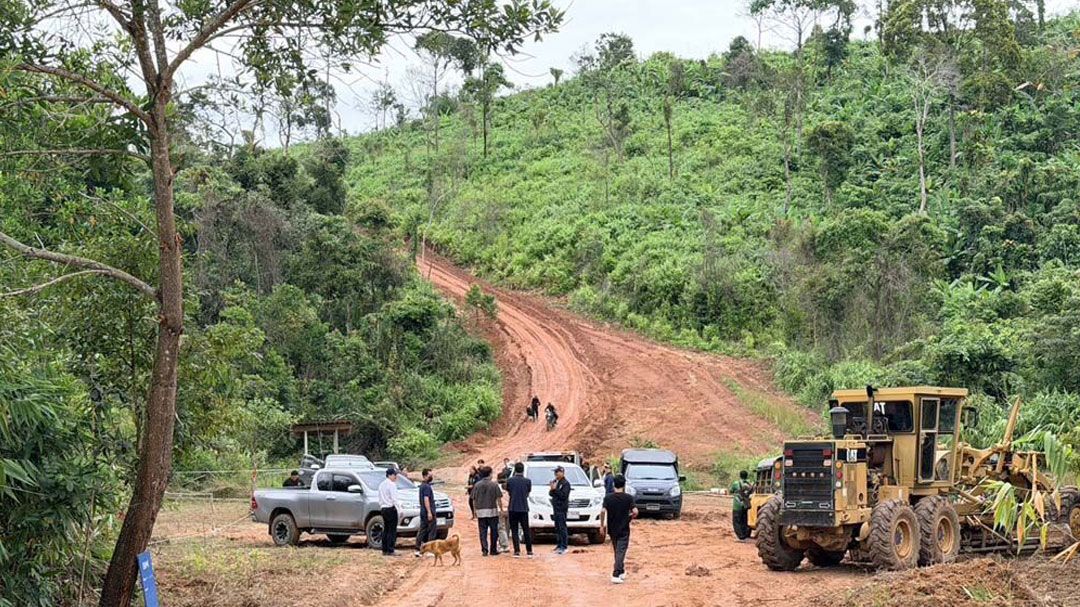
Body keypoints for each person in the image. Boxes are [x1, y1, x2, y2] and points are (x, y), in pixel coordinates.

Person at [601, 474, 638, 584]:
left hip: (612, 528)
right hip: (624, 528)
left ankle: (621, 570)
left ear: (613, 484)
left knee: (617, 550)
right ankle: (616, 573)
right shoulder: (628, 498)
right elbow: (635, 511)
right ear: (624, 485)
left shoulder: (608, 498)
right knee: (621, 551)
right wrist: (630, 517)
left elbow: (603, 511)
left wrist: (602, 525)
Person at [472, 466, 503, 556]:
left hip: (481, 512)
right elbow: (499, 499)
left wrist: (474, 511)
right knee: (494, 531)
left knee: (483, 532)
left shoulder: (477, 485)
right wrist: (501, 509)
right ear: (489, 474)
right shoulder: (494, 485)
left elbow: (474, 499)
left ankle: (484, 550)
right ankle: (493, 549)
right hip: (492, 511)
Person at [505, 461, 534, 557]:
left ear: (515, 470)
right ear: (523, 470)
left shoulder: (510, 480)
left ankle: (517, 551)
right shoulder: (528, 481)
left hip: (513, 507)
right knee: (526, 529)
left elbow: (508, 491)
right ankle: (529, 551)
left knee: (514, 530)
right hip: (523, 508)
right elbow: (528, 492)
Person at [549, 465, 571, 555]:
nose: (555, 474)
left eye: (557, 472)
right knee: (557, 526)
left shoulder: (565, 483)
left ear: (562, 472)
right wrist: (552, 489)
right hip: (556, 507)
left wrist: (555, 490)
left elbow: (563, 495)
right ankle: (559, 544)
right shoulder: (556, 482)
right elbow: (551, 493)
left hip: (562, 508)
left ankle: (564, 545)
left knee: (562, 526)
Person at [378, 468, 400, 556]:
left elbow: (379, 497)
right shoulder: (391, 485)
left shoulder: (381, 485)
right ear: (390, 475)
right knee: (392, 530)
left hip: (383, 508)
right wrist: (399, 508)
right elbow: (394, 498)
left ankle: (384, 549)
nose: (395, 477)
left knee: (386, 529)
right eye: (394, 475)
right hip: (390, 508)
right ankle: (391, 549)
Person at [414, 468, 436, 558]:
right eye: (429, 475)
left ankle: (418, 549)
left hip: (423, 511)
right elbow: (426, 499)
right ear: (425, 476)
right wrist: (429, 512)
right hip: (428, 511)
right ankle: (430, 550)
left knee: (422, 530)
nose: (431, 476)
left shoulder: (422, 486)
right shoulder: (426, 487)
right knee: (431, 530)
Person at [730, 470, 753, 540]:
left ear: (740, 475)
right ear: (747, 476)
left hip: (737, 505)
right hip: (746, 505)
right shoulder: (749, 484)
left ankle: (741, 537)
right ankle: (745, 535)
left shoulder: (736, 483)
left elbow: (731, 490)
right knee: (744, 520)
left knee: (736, 521)